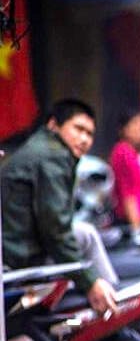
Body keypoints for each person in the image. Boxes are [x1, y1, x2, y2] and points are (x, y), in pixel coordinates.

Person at [0, 98, 118, 315]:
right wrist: (91, 282)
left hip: (21, 248)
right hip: (20, 257)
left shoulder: (44, 148)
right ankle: (110, 305)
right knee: (86, 234)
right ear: (54, 125)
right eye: (78, 129)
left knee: (83, 233)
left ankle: (109, 298)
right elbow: (56, 231)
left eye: (89, 134)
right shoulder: (52, 156)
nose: (84, 139)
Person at [110, 110, 140, 234]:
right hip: (129, 220)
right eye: (136, 125)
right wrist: (136, 229)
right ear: (124, 129)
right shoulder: (123, 152)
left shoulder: (134, 153)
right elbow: (127, 193)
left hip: (138, 216)